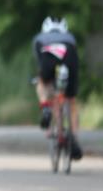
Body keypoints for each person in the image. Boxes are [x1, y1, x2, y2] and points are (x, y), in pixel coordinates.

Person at [33, 17, 82, 160]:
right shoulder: (70, 38)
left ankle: (45, 108)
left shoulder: (39, 38)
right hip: (69, 54)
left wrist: (44, 78)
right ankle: (74, 138)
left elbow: (39, 62)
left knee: (42, 84)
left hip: (47, 54)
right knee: (71, 101)